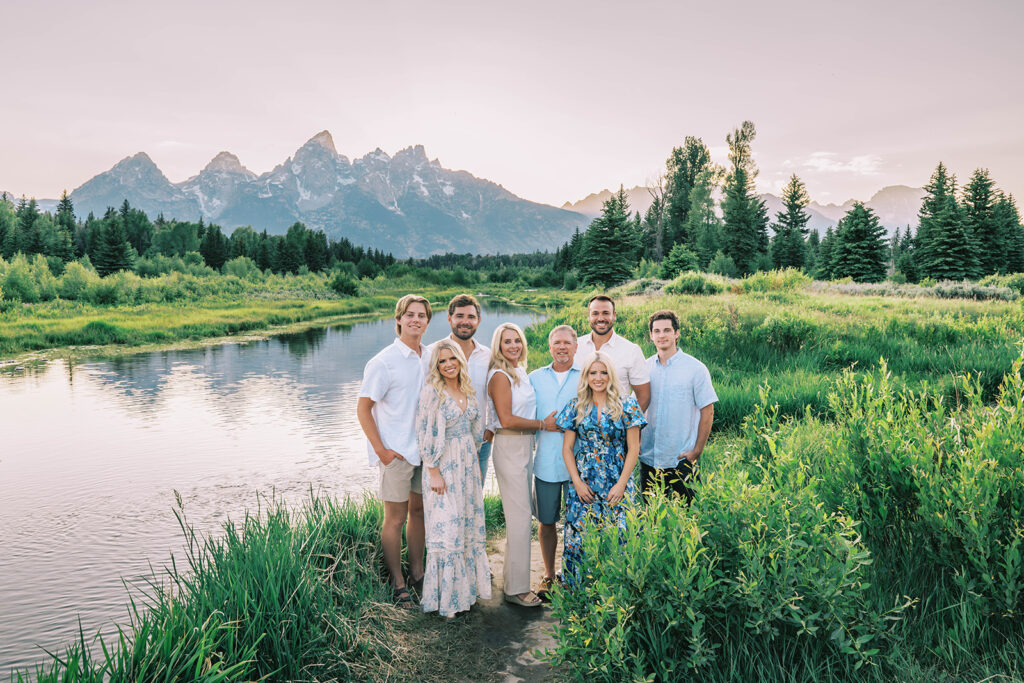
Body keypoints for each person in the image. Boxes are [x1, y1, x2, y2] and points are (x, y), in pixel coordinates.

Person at [356, 294, 432, 608]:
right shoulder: (383, 361)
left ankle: (418, 574)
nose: (416, 320)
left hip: (424, 452)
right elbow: (363, 409)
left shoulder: (430, 355)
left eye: (422, 316)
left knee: (419, 514)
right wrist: (382, 451)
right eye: (410, 315)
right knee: (394, 520)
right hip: (396, 454)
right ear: (398, 319)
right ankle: (397, 584)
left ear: (428, 321)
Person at [556, 351, 647, 587]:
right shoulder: (576, 405)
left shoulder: (627, 404)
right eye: (593, 372)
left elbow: (634, 448)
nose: (598, 377)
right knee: (580, 539)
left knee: (620, 536)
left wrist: (621, 485)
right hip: (584, 483)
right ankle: (579, 600)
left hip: (618, 479)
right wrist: (576, 482)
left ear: (611, 375)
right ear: (585, 376)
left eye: (603, 372)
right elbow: (567, 449)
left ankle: (617, 598)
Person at [416, 340, 491, 618]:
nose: (448, 365)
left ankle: (466, 593)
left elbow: (476, 431)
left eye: (452, 360)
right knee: (447, 528)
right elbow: (423, 432)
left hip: (467, 466)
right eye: (442, 361)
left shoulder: (469, 390)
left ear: (461, 361)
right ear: (436, 366)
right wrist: (433, 470)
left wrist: (473, 464)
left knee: (467, 526)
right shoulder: (431, 393)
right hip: (442, 465)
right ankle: (446, 601)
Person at [487, 322, 548, 607]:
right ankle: (516, 590)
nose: (513, 346)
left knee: (521, 516)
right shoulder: (499, 376)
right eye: (506, 342)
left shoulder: (520, 371)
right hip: (510, 445)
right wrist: (542, 425)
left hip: (526, 446)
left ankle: (513, 581)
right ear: (498, 346)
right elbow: (507, 418)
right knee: (520, 517)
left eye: (517, 341)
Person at [640, 309, 717, 503]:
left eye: (667, 330)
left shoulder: (695, 369)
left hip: (681, 459)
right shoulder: (644, 368)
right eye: (656, 331)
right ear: (651, 335)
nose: (662, 335)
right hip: (649, 458)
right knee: (653, 519)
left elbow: (707, 411)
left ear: (677, 333)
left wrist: (697, 451)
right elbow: (636, 409)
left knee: (689, 517)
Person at [527, 325, 579, 599]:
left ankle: (573, 576)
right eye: (557, 343)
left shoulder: (587, 376)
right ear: (549, 347)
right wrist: (543, 424)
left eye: (567, 343)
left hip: (578, 467)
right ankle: (549, 575)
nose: (562, 347)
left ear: (575, 347)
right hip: (545, 463)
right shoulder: (534, 377)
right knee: (547, 521)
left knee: (576, 522)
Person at [422, 294, 493, 482]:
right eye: (459, 316)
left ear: (478, 320)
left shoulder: (488, 356)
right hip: (442, 441)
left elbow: (494, 395)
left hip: (479, 441)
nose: (465, 322)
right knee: (444, 501)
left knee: (474, 495)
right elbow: (423, 402)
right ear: (449, 318)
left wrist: (491, 428)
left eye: (471, 317)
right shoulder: (431, 353)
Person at [573, 295, 651, 411]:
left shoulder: (631, 350)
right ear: (589, 317)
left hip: (617, 424)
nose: (600, 318)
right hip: (580, 424)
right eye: (595, 313)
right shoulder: (575, 347)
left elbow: (643, 397)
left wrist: (628, 426)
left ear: (614, 316)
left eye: (605, 313)